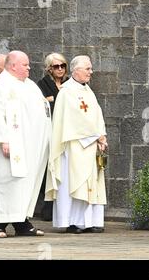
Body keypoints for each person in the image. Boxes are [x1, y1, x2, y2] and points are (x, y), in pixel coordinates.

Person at [0, 50, 51, 238]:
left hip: (27, 146)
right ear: (13, 65)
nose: (29, 68)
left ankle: (21, 221)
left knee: (22, 183)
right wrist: (4, 139)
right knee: (3, 182)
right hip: (5, 147)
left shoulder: (30, 85)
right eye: (25, 65)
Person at [45, 55, 108, 234]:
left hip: (90, 144)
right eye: (87, 69)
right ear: (76, 70)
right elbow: (73, 121)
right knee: (76, 182)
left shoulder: (88, 90)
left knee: (91, 182)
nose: (91, 72)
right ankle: (74, 221)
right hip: (74, 146)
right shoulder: (67, 92)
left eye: (90, 68)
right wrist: (96, 136)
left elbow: (97, 115)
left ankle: (89, 221)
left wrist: (102, 136)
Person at [36, 52, 69, 222]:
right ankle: (48, 206)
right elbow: (38, 104)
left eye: (63, 65)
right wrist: (49, 101)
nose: (61, 69)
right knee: (49, 169)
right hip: (49, 132)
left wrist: (52, 100)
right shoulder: (42, 84)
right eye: (57, 66)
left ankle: (60, 206)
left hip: (66, 132)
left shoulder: (70, 84)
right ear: (49, 68)